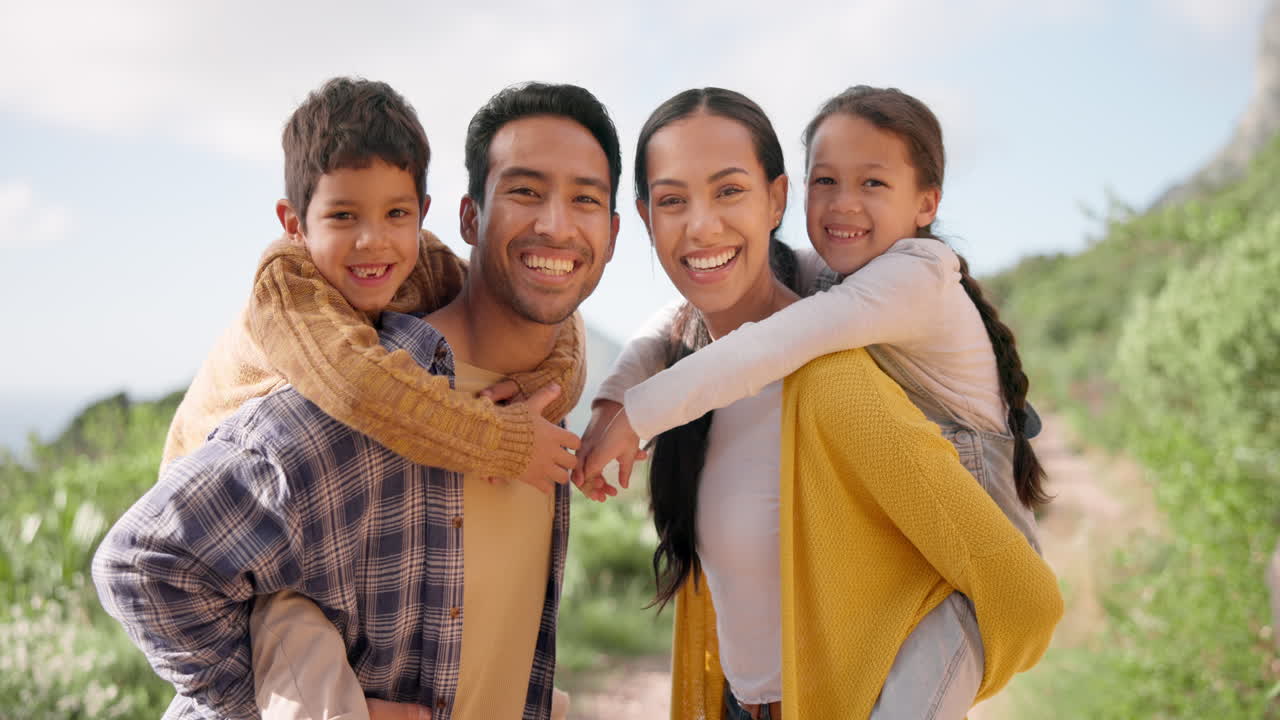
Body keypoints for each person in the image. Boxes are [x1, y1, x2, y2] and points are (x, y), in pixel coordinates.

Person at [92, 81, 621, 720]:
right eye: (525, 191)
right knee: (285, 623)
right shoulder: (345, 395)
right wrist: (269, 707)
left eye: (584, 198)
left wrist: (564, 385)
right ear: (469, 218)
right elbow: (144, 565)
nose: (556, 224)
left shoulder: (526, 396)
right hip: (215, 459)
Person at [585, 87, 1061, 718]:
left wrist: (637, 415)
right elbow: (678, 317)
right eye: (827, 181)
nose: (844, 205)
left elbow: (770, 343)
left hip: (962, 558)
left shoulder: (884, 302)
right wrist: (608, 404)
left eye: (729, 190)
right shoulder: (831, 281)